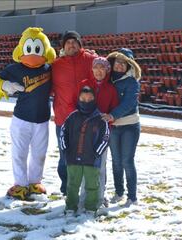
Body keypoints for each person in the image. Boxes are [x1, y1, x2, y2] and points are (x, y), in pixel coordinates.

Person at [0, 27, 56, 200]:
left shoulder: (49, 68)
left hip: (42, 119)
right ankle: (20, 183)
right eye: (29, 48)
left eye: (38, 48)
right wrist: (5, 86)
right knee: (19, 152)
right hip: (21, 118)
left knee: (39, 153)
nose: (33, 53)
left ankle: (35, 182)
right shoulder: (15, 68)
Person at [52, 30, 97, 195]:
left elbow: (109, 67)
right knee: (65, 156)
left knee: (88, 156)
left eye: (74, 42)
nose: (71, 45)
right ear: (63, 46)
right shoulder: (56, 65)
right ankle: (66, 188)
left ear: (80, 44)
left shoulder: (92, 60)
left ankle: (89, 189)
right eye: (68, 42)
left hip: (88, 118)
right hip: (64, 119)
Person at [60, 86, 110, 215]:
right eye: (83, 98)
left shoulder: (100, 118)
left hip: (92, 160)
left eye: (89, 98)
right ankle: (70, 207)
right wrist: (66, 150)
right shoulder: (72, 117)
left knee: (92, 186)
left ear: (94, 99)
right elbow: (63, 133)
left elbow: (105, 138)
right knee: (72, 185)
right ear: (78, 99)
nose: (86, 101)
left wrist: (96, 154)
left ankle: (91, 208)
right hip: (73, 158)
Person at [102, 48, 142, 207]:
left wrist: (113, 115)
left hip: (129, 126)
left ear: (129, 66)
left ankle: (132, 196)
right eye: (117, 62)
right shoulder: (108, 79)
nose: (119, 66)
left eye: (123, 63)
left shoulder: (132, 82)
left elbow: (129, 103)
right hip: (113, 127)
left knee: (127, 161)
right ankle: (119, 192)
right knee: (116, 161)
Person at [78, 57, 119, 208]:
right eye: (96, 67)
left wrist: (108, 120)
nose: (99, 71)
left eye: (102, 68)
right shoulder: (84, 84)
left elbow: (114, 110)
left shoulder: (111, 89)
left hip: (102, 134)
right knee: (84, 166)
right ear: (92, 69)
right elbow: (79, 105)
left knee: (100, 166)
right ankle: (83, 199)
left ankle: (100, 198)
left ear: (107, 70)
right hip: (84, 133)